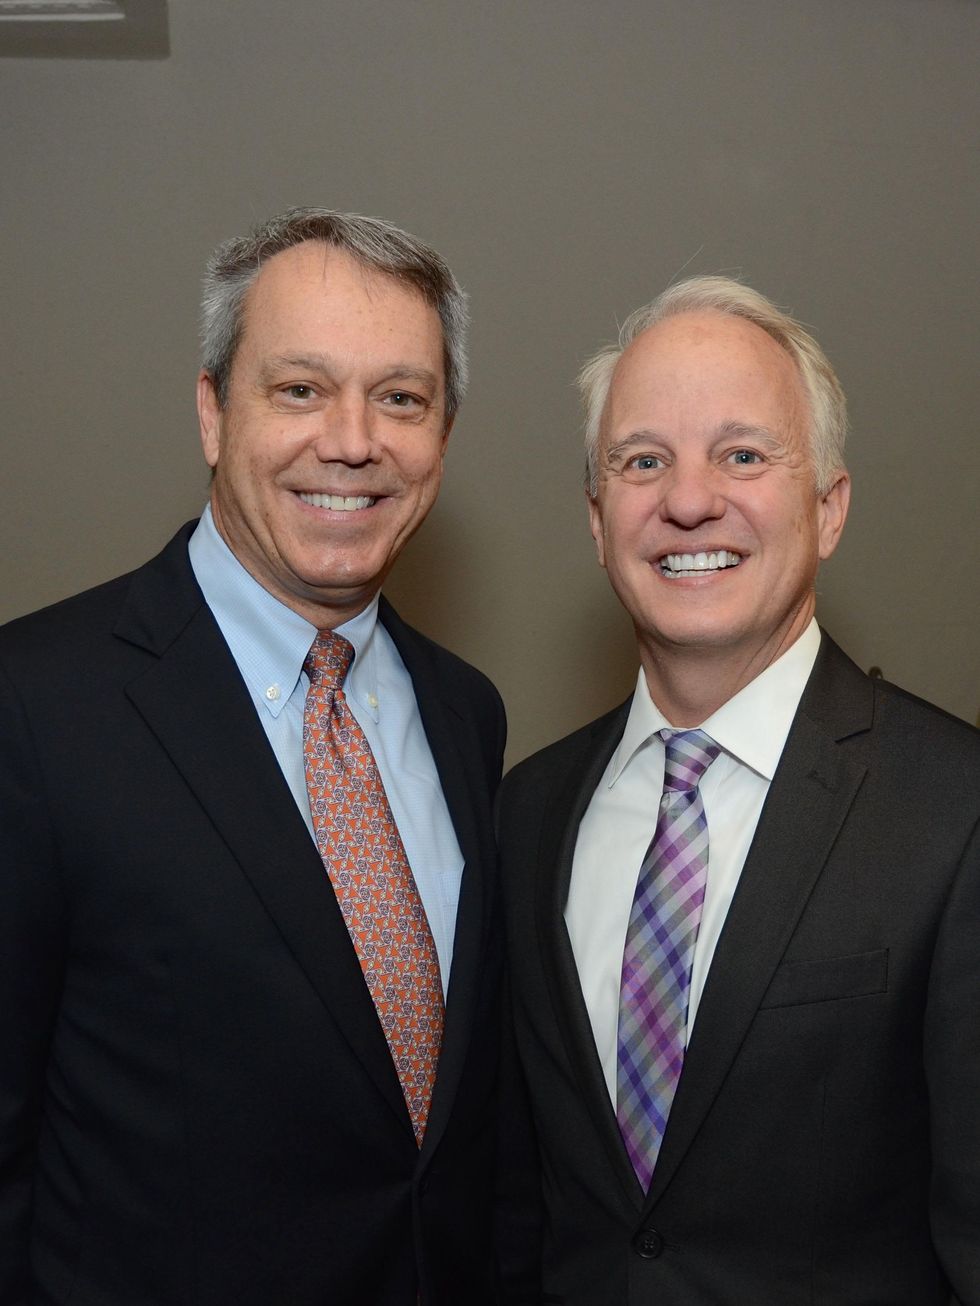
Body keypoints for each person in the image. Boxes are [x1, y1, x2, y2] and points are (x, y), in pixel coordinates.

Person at [0, 207, 506, 1306]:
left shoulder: (467, 715)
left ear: (441, 438)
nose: (352, 439)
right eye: (298, 389)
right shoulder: (35, 706)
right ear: (211, 413)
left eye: (401, 398)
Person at [496, 276, 980, 1304]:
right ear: (595, 518)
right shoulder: (523, 817)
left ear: (828, 506)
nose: (685, 500)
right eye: (640, 461)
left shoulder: (956, 814)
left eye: (743, 454)